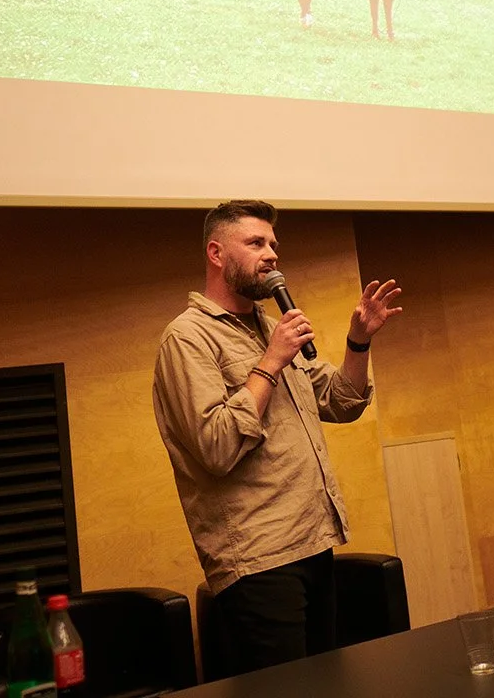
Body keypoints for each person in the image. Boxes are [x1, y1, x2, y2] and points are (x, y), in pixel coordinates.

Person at [152, 199, 403, 675]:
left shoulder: (270, 328)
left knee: (327, 687)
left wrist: (359, 341)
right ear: (216, 253)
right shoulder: (186, 340)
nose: (271, 254)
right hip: (257, 560)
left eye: (273, 244)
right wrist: (269, 362)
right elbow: (216, 446)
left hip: (312, 540)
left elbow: (340, 401)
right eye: (255, 242)